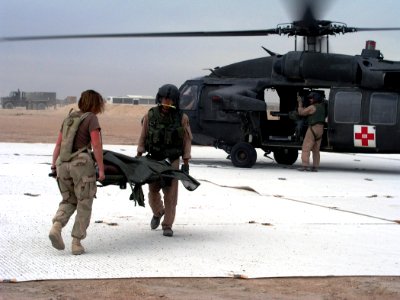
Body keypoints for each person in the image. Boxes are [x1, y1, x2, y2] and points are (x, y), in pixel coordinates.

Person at [49, 89, 105, 255]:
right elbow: (96, 145)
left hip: (62, 164)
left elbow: (59, 145)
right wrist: (101, 169)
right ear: (95, 104)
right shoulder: (91, 118)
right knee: (84, 202)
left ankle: (56, 226)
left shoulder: (69, 117)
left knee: (68, 200)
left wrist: (53, 166)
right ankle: (76, 242)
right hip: (81, 165)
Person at [137, 84, 192, 237]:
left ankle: (167, 225)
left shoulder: (182, 118)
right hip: (154, 159)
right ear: (159, 99)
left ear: (175, 101)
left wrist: (186, 162)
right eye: (164, 100)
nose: (167, 104)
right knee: (153, 191)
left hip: (172, 161)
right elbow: (143, 136)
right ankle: (158, 212)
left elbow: (187, 141)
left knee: (171, 195)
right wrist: (139, 156)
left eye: (170, 101)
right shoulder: (150, 115)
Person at [297, 91, 326, 172]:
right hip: (320, 129)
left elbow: (301, 113)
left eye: (311, 98)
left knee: (306, 147)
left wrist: (300, 104)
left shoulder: (312, 107)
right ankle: (315, 167)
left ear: (315, 99)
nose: (310, 100)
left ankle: (305, 166)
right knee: (316, 149)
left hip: (313, 128)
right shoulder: (322, 107)